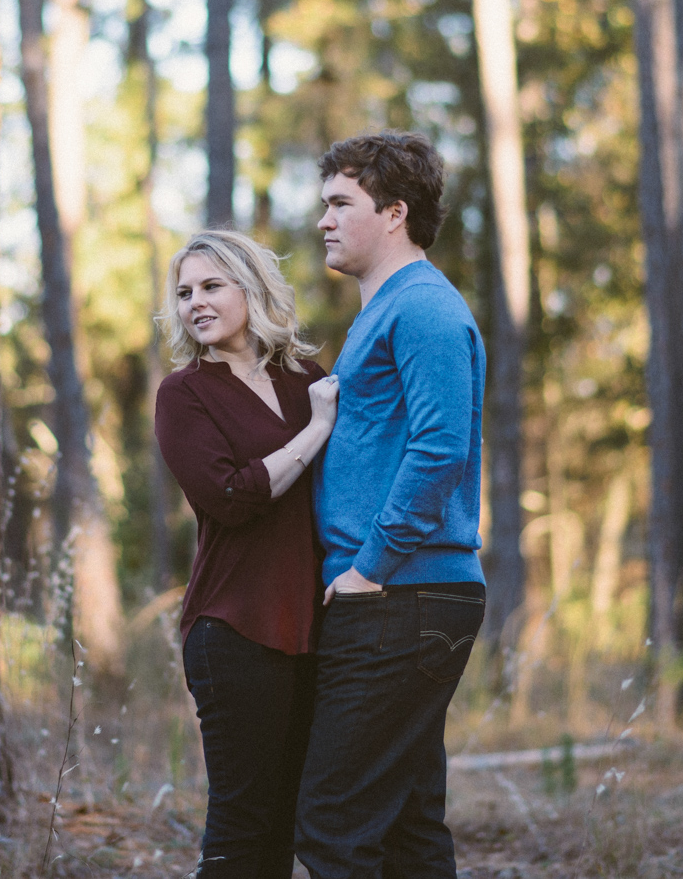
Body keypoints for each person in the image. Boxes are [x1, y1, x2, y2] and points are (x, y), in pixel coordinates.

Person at [296, 131, 486, 879]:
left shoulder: (426, 310)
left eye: (341, 203)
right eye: (324, 204)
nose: (324, 221)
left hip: (401, 594)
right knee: (407, 825)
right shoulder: (386, 310)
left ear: (395, 213)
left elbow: (441, 448)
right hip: (399, 595)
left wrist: (369, 567)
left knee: (334, 820)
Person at [153, 229, 339, 878]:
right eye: (183, 293)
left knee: (287, 826)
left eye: (210, 286)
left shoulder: (306, 381)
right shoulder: (184, 395)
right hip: (232, 628)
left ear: (252, 289)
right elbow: (231, 499)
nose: (194, 304)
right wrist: (316, 431)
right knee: (240, 826)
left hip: (310, 631)